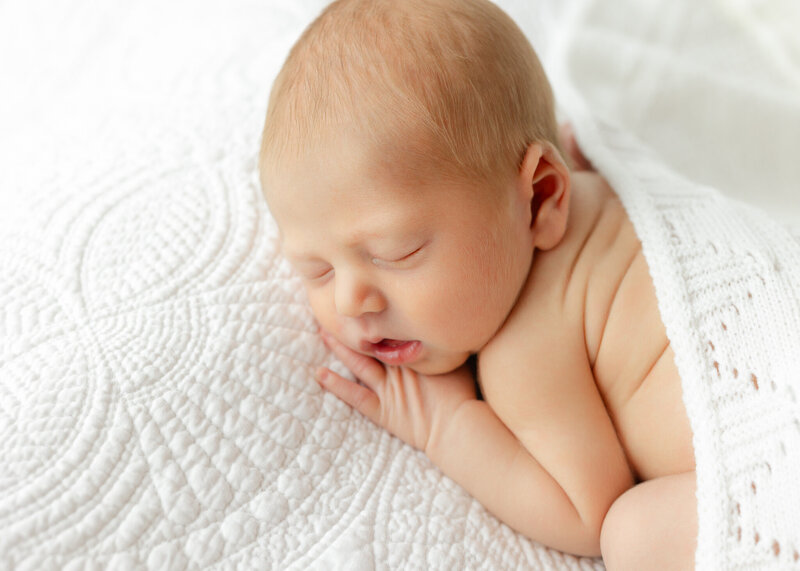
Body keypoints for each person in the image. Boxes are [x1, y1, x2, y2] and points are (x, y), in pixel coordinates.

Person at [259, 0, 696, 567]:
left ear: (541, 198)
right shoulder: (598, 175)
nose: (349, 301)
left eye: (398, 251)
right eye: (316, 269)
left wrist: (446, 425)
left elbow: (587, 511)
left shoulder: (523, 351)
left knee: (632, 533)